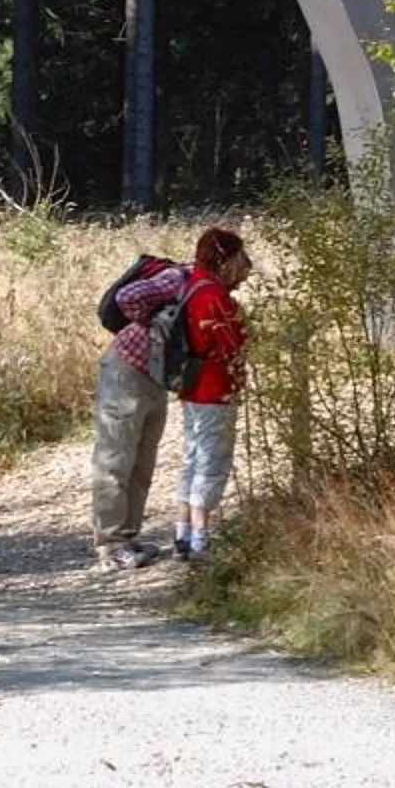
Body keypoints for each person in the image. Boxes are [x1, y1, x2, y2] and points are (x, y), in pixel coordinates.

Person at [90, 252, 191, 570]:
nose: (244, 271)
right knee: (115, 460)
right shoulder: (181, 279)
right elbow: (127, 296)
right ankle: (110, 546)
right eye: (240, 260)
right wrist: (150, 324)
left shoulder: (207, 289)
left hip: (154, 377)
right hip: (126, 370)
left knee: (142, 462)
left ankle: (127, 538)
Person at [171, 226, 252, 562]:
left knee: (191, 458)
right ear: (225, 258)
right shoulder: (213, 295)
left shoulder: (192, 285)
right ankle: (201, 539)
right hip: (214, 388)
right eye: (238, 257)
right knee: (211, 461)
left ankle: (183, 533)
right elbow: (231, 344)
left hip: (192, 387)